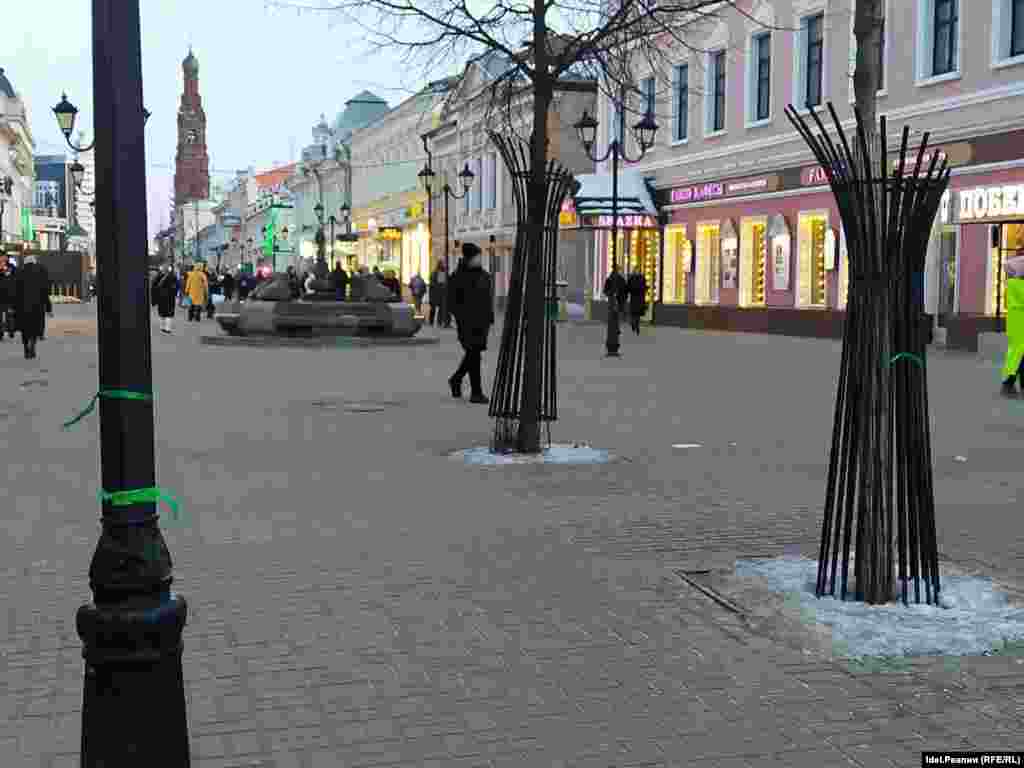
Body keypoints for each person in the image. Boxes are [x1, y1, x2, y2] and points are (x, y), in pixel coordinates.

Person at [448, 243, 494, 404]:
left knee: (473, 354)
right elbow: (451, 301)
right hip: (467, 323)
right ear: (468, 258)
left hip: (482, 322)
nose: (479, 259)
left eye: (479, 256)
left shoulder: (484, 275)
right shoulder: (457, 277)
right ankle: (476, 392)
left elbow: (487, 298)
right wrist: (461, 317)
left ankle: (456, 379)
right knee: (474, 355)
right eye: (476, 257)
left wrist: (489, 317)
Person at [13, 255, 53, 360]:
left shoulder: (19, 272)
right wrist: (48, 307)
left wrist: (13, 306)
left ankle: (26, 348)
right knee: (35, 327)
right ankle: (33, 345)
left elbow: (15, 291)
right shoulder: (41, 272)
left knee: (25, 328)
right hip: (37, 306)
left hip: (22, 306)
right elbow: (45, 291)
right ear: (34, 262)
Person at [1000, 255, 1024, 397]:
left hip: (1015, 321)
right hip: (1020, 322)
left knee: (1017, 353)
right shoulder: (1018, 285)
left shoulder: (1011, 284)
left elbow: (1007, 265)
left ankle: (1010, 384)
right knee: (1018, 354)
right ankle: (1008, 384)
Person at [152, 264, 178, 334]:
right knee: (169, 313)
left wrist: (154, 299)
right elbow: (176, 287)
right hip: (170, 298)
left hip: (161, 297)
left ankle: (162, 327)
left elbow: (153, 287)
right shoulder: (173, 276)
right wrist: (174, 294)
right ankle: (168, 328)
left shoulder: (158, 276)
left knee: (161, 312)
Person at [625, 266, 647, 335]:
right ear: (634, 271)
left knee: (637, 314)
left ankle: (636, 326)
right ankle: (633, 324)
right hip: (635, 298)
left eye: (638, 270)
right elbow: (628, 287)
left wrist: (645, 290)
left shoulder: (641, 278)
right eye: (636, 270)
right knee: (634, 313)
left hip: (639, 298)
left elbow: (644, 287)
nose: (637, 271)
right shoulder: (632, 278)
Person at [428, 260, 448, 326]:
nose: (444, 265)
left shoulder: (439, 272)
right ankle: (435, 321)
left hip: (437, 293)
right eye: (443, 264)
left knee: (439, 308)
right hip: (437, 293)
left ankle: (437, 321)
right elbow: (440, 283)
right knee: (436, 308)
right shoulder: (439, 273)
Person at [0, 260, 12, 342]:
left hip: (6, 297)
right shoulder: (7, 272)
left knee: (8, 315)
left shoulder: (8, 270)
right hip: (5, 296)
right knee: (5, 315)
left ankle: (10, 330)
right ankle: (3, 332)